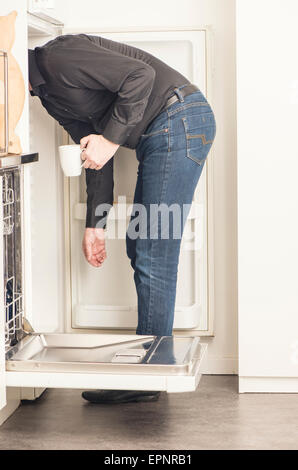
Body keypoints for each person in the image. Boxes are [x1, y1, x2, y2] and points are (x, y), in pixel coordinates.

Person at [28, 33, 216, 404]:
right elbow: (95, 151)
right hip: (166, 130)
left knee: (153, 251)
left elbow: (139, 77)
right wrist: (95, 224)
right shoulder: (48, 94)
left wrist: (110, 140)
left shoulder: (57, 57)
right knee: (142, 245)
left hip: (178, 121)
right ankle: (147, 369)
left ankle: (148, 376)